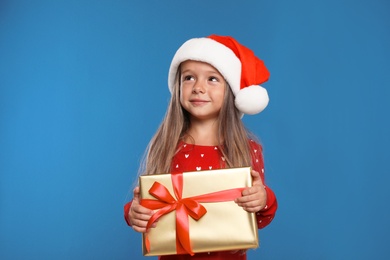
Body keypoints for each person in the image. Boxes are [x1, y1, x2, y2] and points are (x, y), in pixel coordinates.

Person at [124, 35, 277, 260]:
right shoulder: (166, 146)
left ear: (231, 90)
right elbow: (149, 205)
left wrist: (263, 199)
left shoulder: (247, 149)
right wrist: (134, 212)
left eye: (212, 79)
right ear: (177, 87)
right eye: (189, 78)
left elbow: (260, 218)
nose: (198, 88)